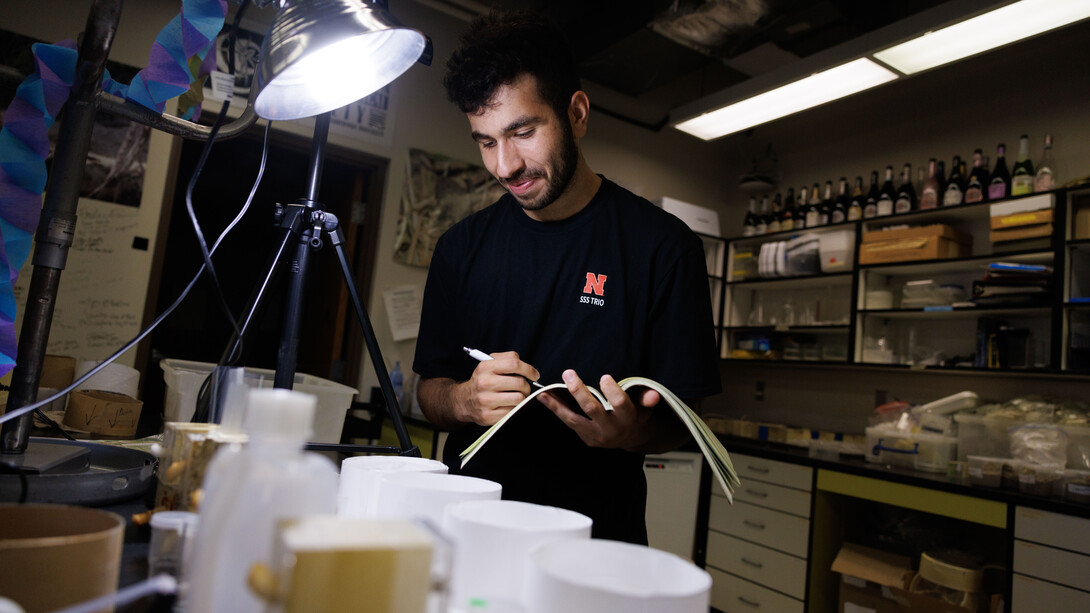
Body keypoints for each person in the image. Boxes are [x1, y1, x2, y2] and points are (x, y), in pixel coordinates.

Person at [412, 11, 720, 545]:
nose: (505, 165)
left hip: (595, 542)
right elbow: (429, 392)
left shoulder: (663, 248)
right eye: (486, 142)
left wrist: (632, 431)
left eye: (523, 132)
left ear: (576, 113)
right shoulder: (459, 248)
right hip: (468, 535)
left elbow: (682, 419)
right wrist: (464, 400)